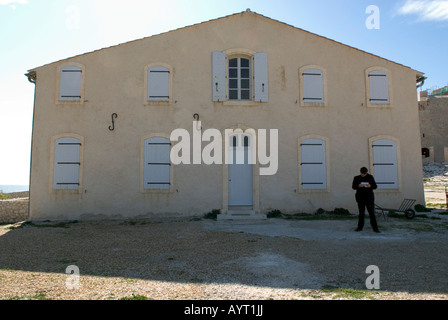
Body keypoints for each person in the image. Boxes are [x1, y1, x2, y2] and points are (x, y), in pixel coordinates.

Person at [352, 167, 380, 233]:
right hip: (360, 198)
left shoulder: (370, 177)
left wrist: (370, 186)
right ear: (360, 172)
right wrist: (358, 186)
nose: (363, 175)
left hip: (369, 198)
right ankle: (359, 227)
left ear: (366, 172)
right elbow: (353, 187)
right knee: (361, 213)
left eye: (364, 173)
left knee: (371, 213)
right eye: (362, 173)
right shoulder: (356, 178)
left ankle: (375, 228)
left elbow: (375, 186)